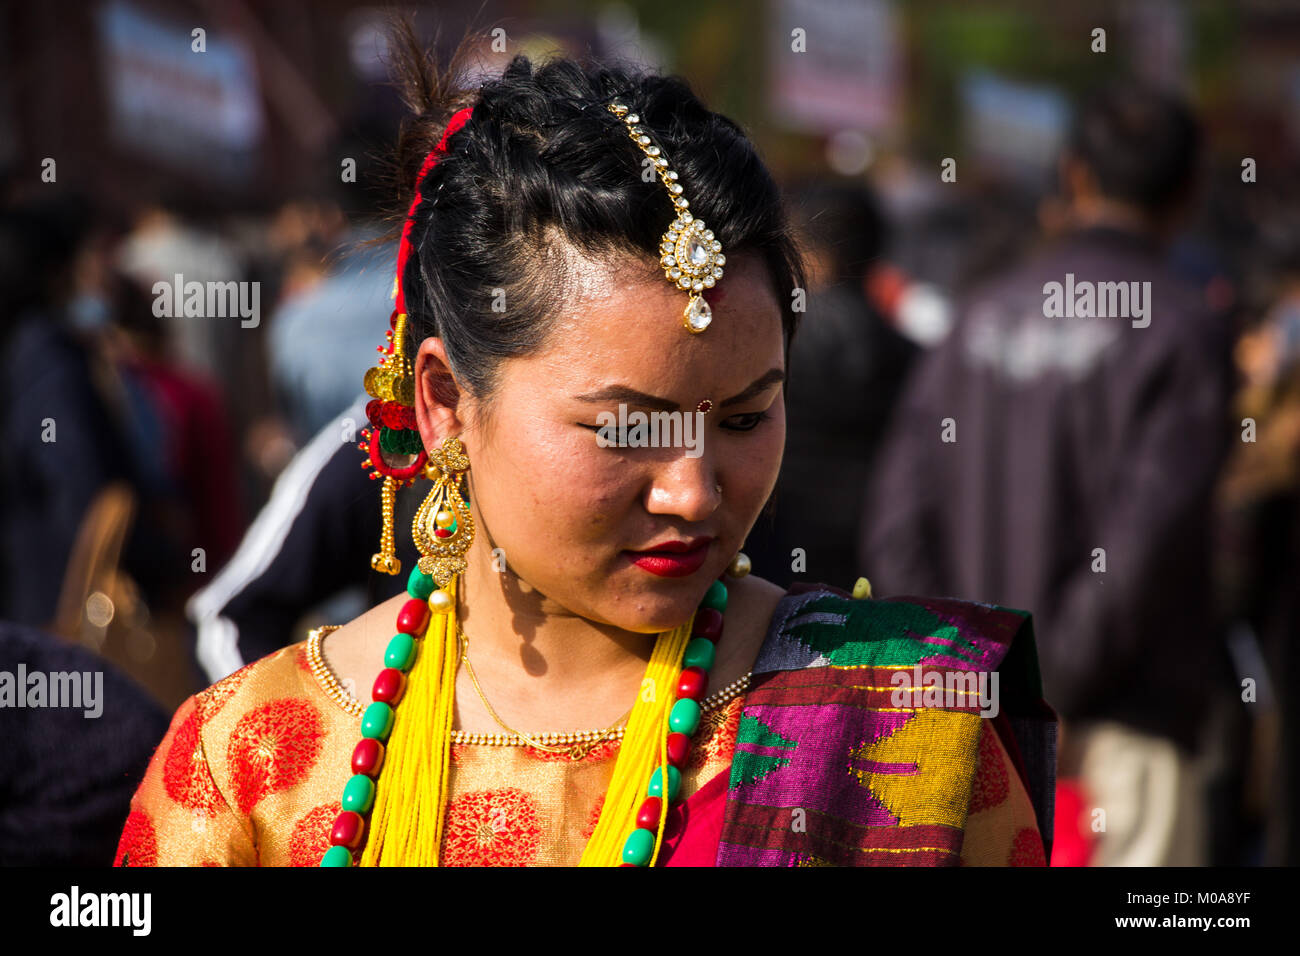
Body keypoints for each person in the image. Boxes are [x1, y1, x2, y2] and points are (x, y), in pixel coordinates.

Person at [116, 24, 1054, 867]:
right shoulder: (251, 768)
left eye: (742, 419)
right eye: (629, 428)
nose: (694, 492)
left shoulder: (906, 724)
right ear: (444, 403)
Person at [859, 81, 1237, 865]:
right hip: (1125, 739)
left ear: (1073, 176)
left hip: (977, 725)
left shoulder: (980, 315)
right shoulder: (1184, 326)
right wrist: (1038, 688)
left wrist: (970, 674)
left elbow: (897, 524)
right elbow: (1149, 542)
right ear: (1192, 191)